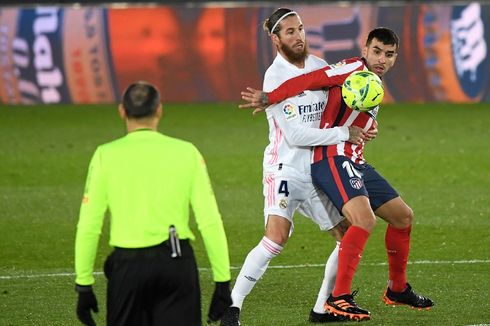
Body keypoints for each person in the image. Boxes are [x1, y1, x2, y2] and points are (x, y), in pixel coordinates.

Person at [239, 27, 434, 321]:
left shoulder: (373, 80)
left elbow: (354, 113)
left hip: (355, 160)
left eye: (389, 54)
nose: (382, 59)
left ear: (395, 58)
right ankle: (338, 297)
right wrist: (271, 96)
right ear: (365, 48)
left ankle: (397, 288)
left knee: (402, 217)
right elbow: (310, 79)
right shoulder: (352, 69)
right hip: (331, 157)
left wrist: (369, 127)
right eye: (377, 51)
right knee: (363, 220)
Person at [220, 8, 376, 326]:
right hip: (285, 168)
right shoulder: (275, 77)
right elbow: (295, 134)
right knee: (276, 237)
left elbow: (343, 105)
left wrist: (362, 124)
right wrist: (344, 133)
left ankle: (322, 310)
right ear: (276, 40)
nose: (298, 36)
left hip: (319, 170)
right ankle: (232, 306)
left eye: (301, 29)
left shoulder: (320, 68)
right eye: (290, 31)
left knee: (346, 234)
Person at [74, 81, 232, 326]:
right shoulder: (187, 152)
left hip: (127, 268)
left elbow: (89, 225)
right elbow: (210, 220)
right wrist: (222, 281)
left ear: (122, 111)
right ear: (159, 110)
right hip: (176, 265)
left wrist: (83, 284)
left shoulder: (105, 155)